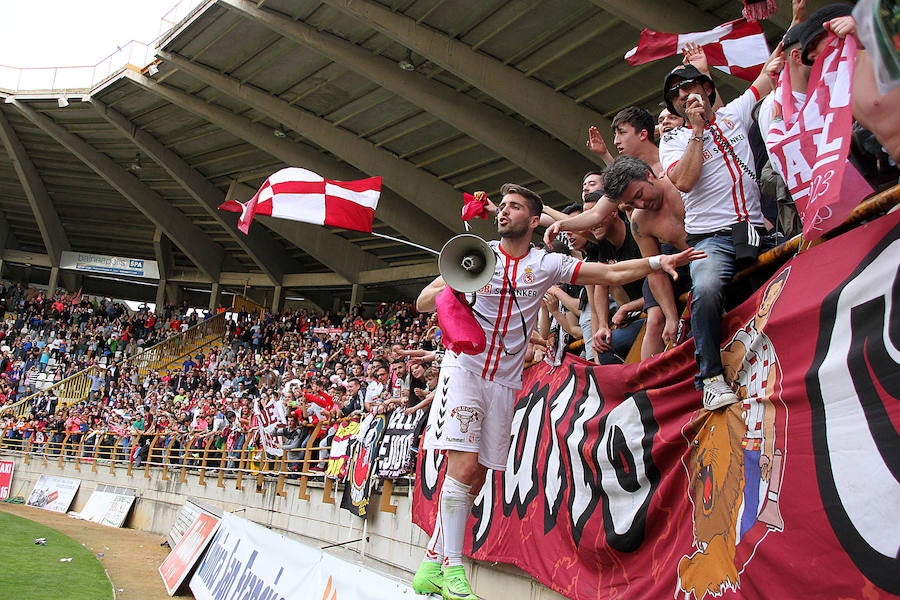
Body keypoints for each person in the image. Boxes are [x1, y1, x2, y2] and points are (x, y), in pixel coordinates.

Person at [411, 182, 704, 599]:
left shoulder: (547, 264)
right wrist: (454, 284)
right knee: (462, 466)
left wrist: (659, 260)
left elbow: (610, 273)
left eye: (514, 207)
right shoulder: (477, 255)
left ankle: (430, 561)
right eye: (503, 206)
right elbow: (424, 302)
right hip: (465, 371)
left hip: (506, 381)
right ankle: (453, 570)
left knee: (476, 475)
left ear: (534, 221)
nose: (504, 212)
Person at [659, 46, 783, 411]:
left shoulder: (734, 114)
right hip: (711, 240)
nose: (685, 95)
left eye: (690, 86)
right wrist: (697, 131)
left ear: (707, 88)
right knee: (708, 287)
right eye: (677, 94)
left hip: (754, 230)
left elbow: (771, 70)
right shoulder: (673, 140)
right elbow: (683, 180)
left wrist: (797, 20)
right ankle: (711, 378)